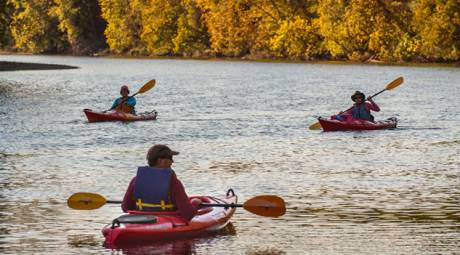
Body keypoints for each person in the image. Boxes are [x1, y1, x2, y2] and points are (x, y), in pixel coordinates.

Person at [121, 144, 202, 221]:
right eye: (170, 158)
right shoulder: (173, 182)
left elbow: (125, 207)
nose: (172, 161)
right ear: (160, 161)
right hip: (166, 221)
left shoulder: (136, 180)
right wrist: (195, 203)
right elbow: (188, 214)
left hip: (142, 219)